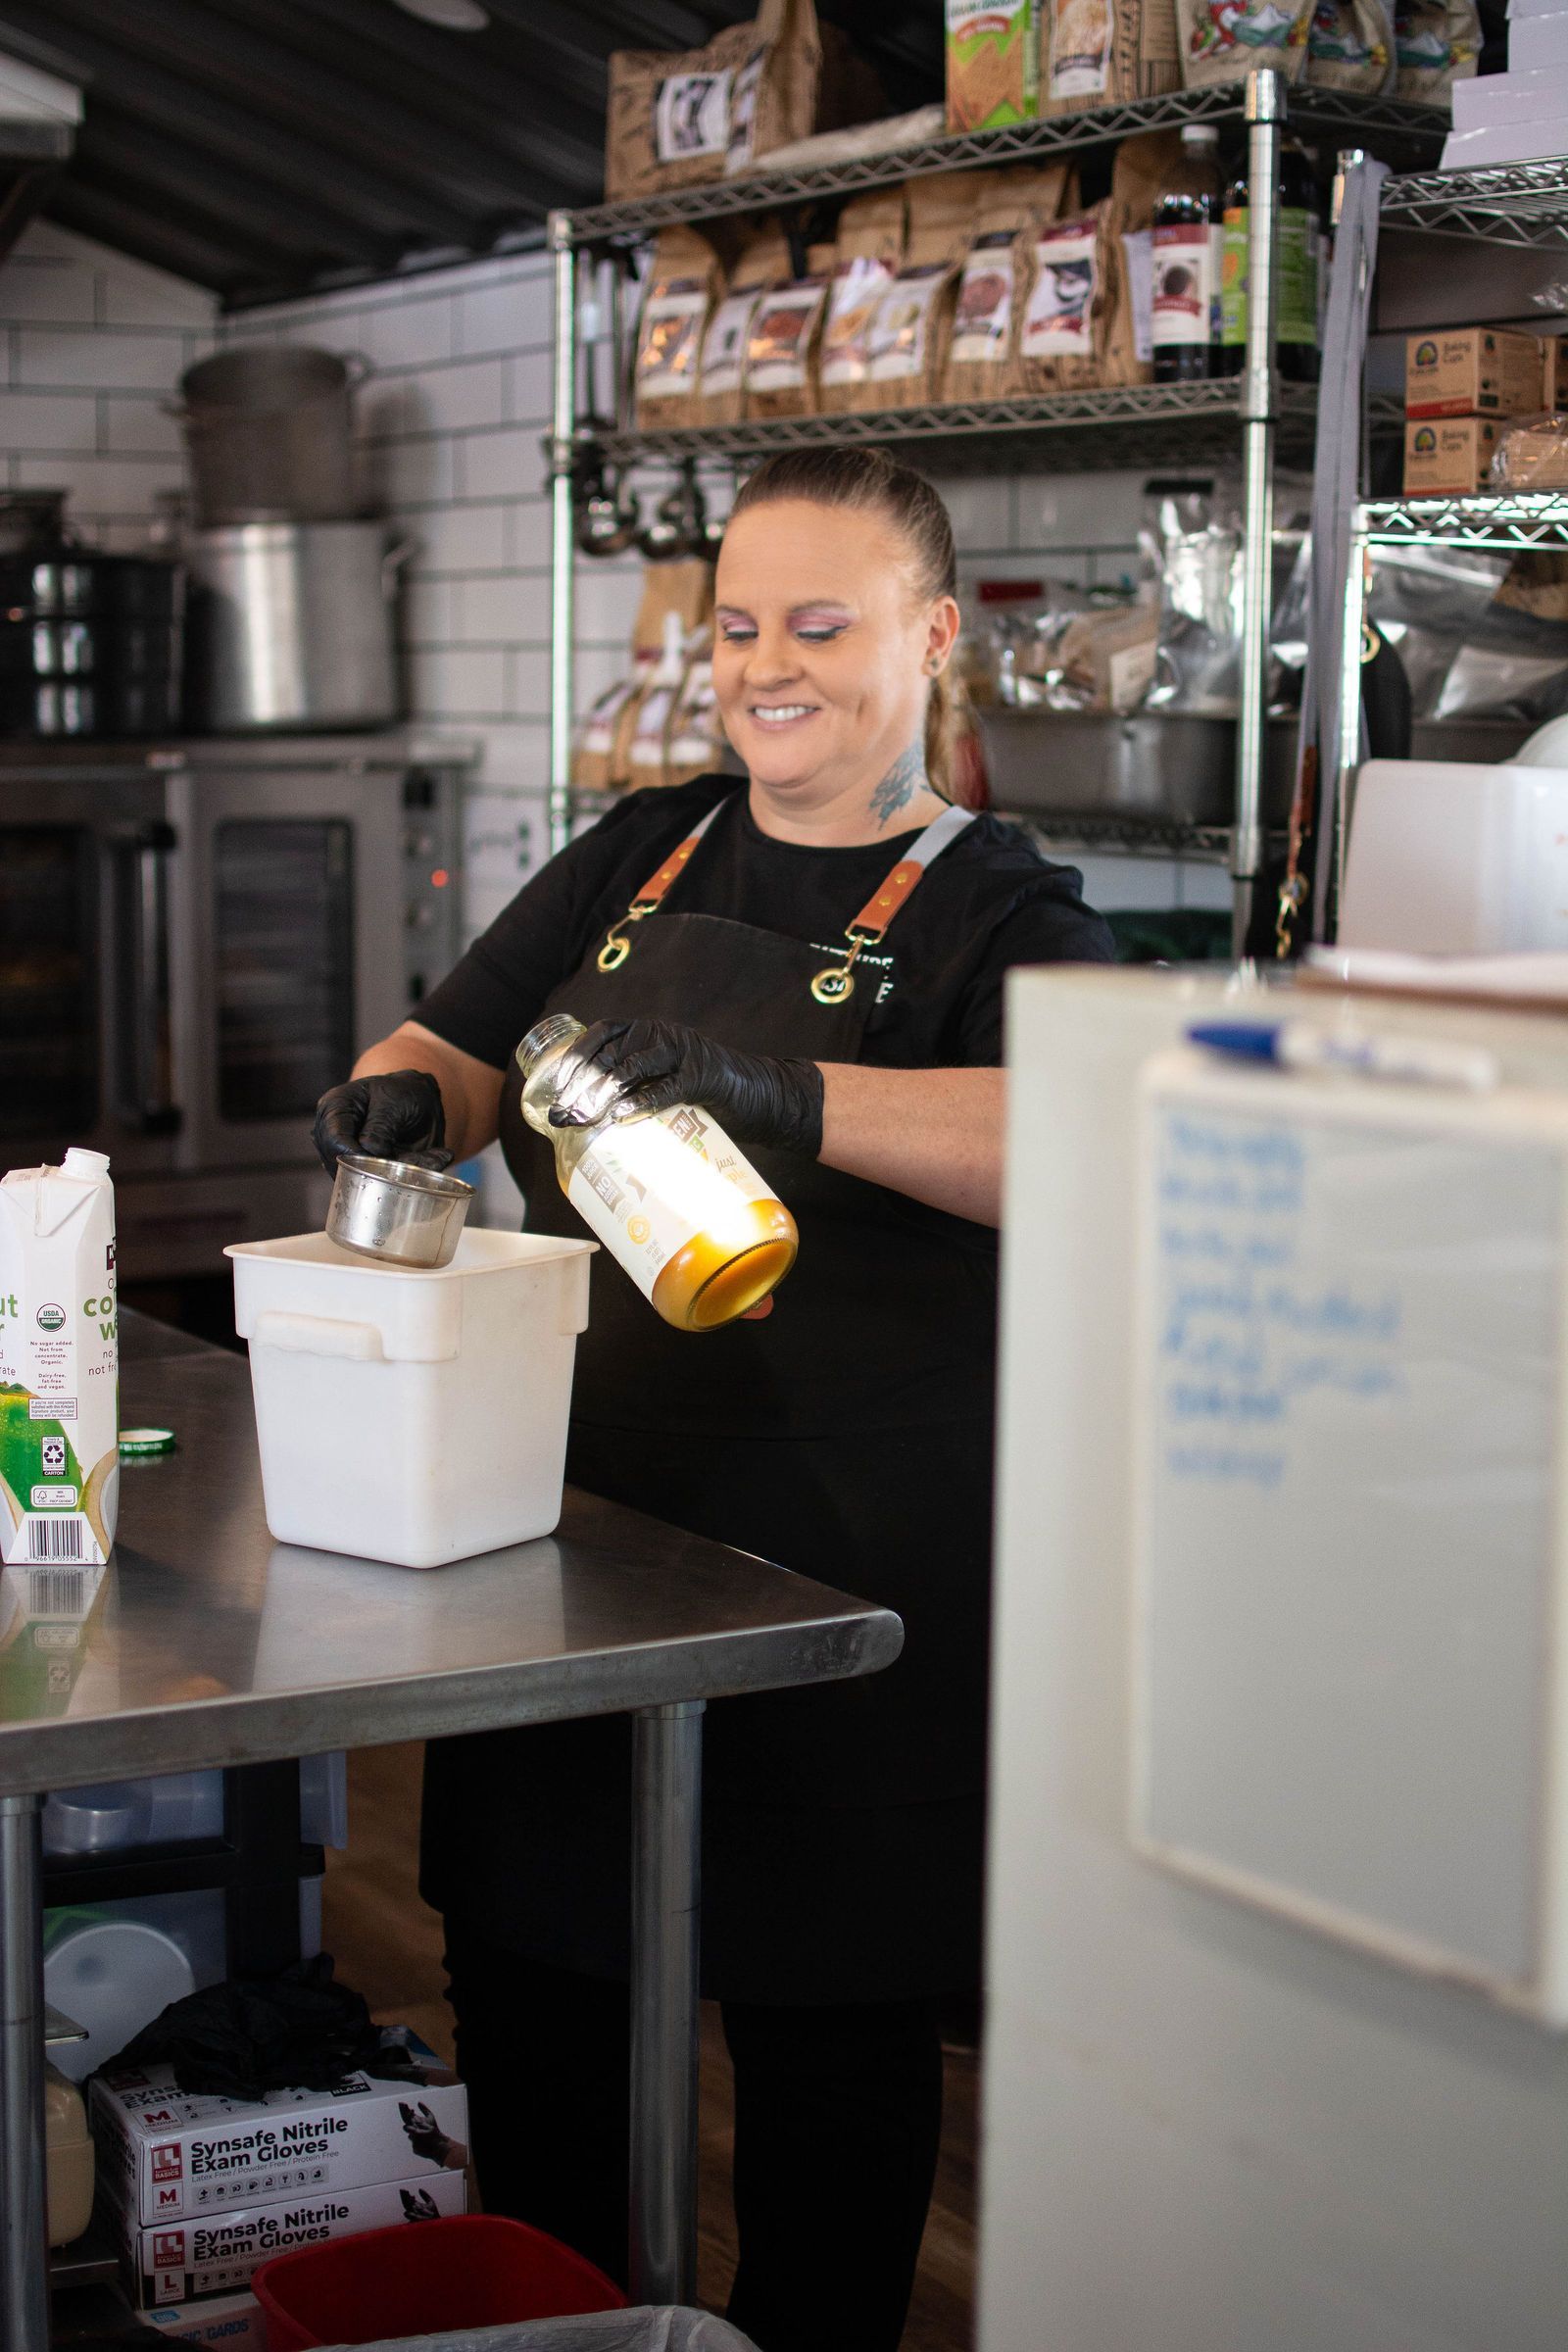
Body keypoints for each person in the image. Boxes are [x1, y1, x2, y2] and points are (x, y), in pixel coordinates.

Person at [312, 447, 1114, 2350]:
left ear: (931, 641)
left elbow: (1092, 1127)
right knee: (537, 2009)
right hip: (572, 1561)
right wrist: (406, 1098)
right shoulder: (641, 850)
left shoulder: (1004, 908)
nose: (765, 664)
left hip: (856, 1600)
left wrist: (792, 1098)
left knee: (831, 2078)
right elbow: (456, 1032)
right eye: (741, 622)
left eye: (818, 625)